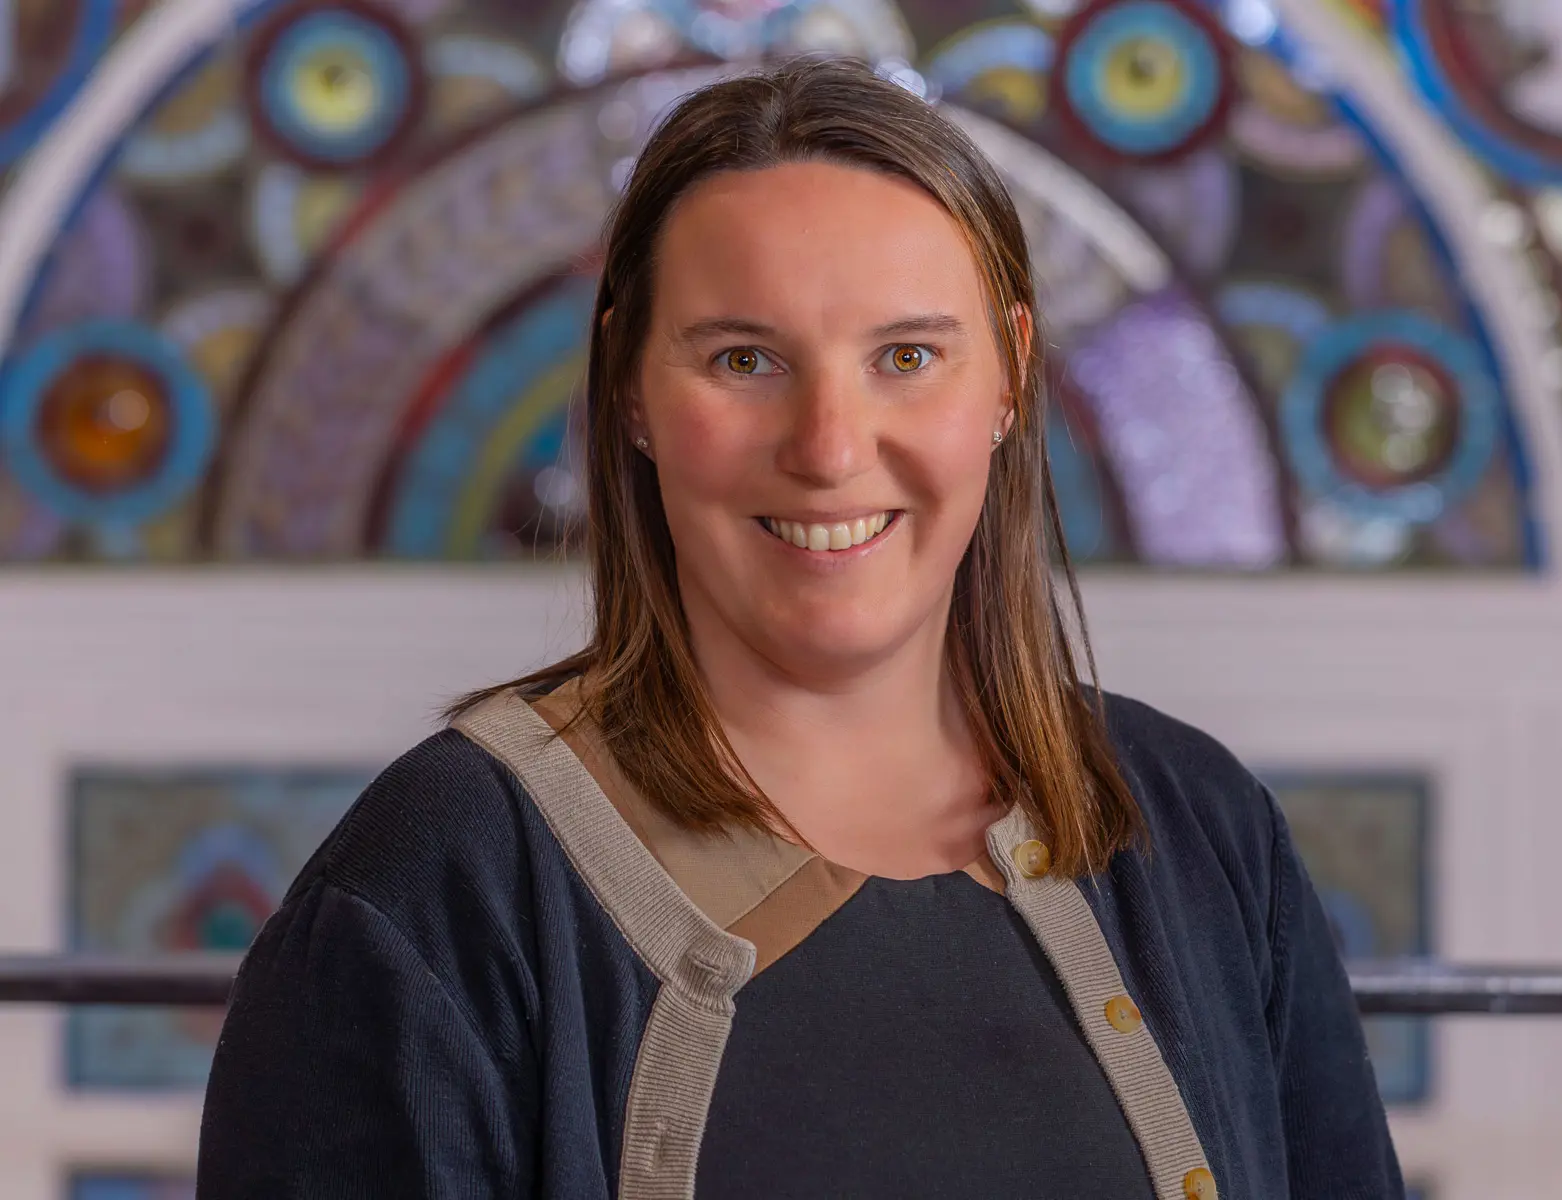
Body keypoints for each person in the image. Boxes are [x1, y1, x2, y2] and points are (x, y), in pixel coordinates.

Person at [196, 53, 1405, 1199]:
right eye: (743, 359)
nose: (829, 449)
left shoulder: (1196, 826)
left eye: (908, 355)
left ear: (1009, 378)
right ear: (627, 390)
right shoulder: (433, 889)